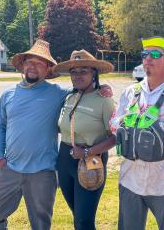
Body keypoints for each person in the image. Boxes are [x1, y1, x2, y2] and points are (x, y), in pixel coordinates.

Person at [0, 40, 111, 230]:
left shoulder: (58, 93)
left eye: (39, 63)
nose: (32, 67)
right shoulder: (8, 94)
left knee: (41, 223)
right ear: (22, 65)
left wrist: (104, 88)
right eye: (29, 61)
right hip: (10, 168)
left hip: (43, 171)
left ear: (47, 70)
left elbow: (84, 90)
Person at [111, 37, 164, 230]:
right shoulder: (130, 92)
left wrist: (159, 128)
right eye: (145, 54)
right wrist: (124, 123)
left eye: (156, 54)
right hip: (130, 180)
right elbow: (114, 123)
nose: (148, 59)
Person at [53, 50, 116, 230]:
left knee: (84, 220)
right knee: (77, 216)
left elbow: (115, 137)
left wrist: (88, 151)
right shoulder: (69, 97)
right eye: (73, 71)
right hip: (65, 159)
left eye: (84, 71)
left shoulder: (104, 100)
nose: (77, 75)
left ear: (94, 73)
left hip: (91, 159)